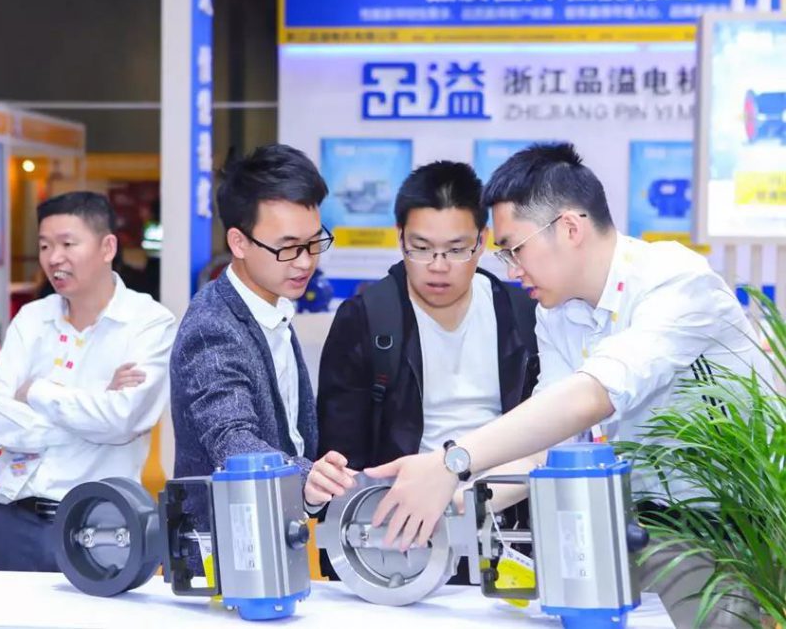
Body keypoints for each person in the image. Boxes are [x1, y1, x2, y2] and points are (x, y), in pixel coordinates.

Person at [364, 143, 767, 626]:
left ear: (570, 228)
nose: (512, 270)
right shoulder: (556, 313)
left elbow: (591, 397)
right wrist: (446, 496)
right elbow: (548, 443)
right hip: (625, 526)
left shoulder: (676, 282)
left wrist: (451, 462)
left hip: (722, 532)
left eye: (515, 249)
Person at [315, 161, 541, 581]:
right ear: (399, 238)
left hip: (509, 537)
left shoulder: (524, 317)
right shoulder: (366, 320)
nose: (438, 265)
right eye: (421, 248)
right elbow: (340, 458)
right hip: (399, 545)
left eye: (456, 249)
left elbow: (545, 437)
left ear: (482, 241)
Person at [0, 191, 176, 571]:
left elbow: (123, 420)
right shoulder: (31, 318)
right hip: (13, 519)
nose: (54, 258)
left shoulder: (149, 322)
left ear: (107, 247)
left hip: (101, 525)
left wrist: (36, 392)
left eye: (68, 244)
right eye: (45, 246)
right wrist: (94, 406)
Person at [169, 144, 355, 550]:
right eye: (288, 247)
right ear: (239, 242)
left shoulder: (272, 307)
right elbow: (232, 439)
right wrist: (307, 476)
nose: (305, 262)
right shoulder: (212, 326)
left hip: (274, 536)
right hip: (222, 552)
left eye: (314, 242)